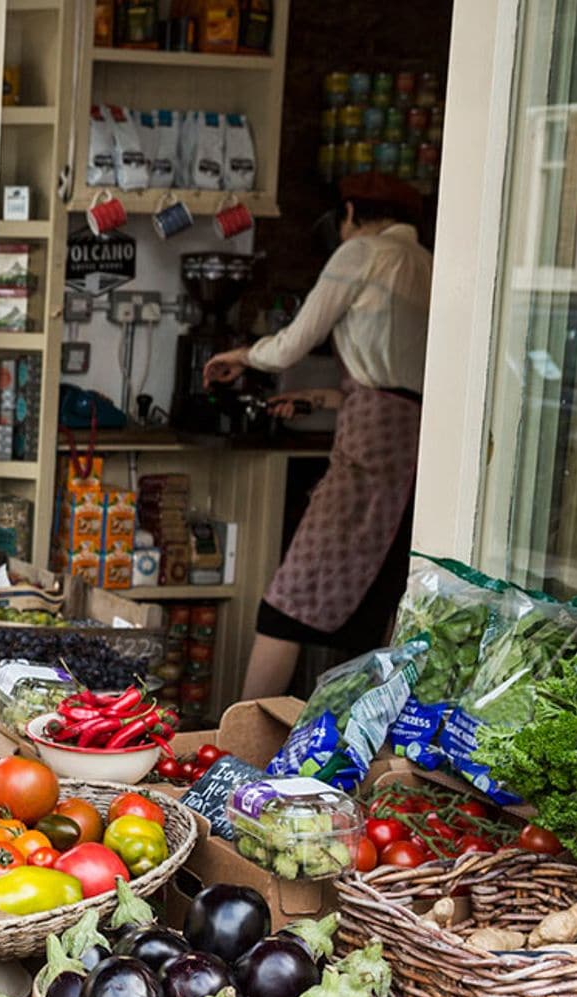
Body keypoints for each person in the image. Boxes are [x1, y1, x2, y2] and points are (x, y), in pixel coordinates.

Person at [204, 173, 432, 699]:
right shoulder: (428, 263)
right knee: (381, 602)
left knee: (288, 600)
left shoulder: (362, 254)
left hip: (370, 449)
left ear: (350, 212)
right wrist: (322, 399)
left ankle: (243, 742)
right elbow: (398, 381)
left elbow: (290, 347)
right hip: (412, 445)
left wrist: (242, 356)